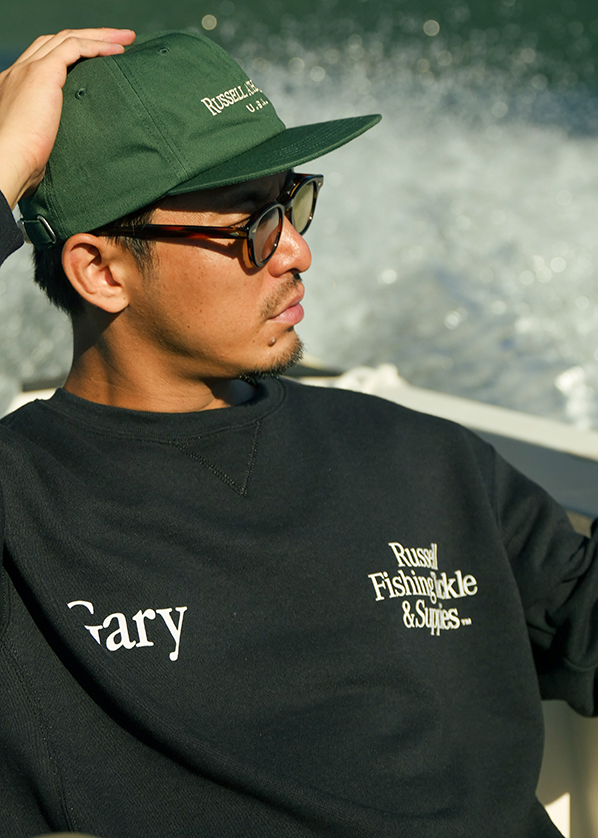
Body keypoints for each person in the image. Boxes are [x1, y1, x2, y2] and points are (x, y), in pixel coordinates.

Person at [0, 27, 595, 838]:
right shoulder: (24, 515)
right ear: (101, 271)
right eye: (250, 224)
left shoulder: (419, 455)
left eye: (292, 202)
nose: (298, 252)